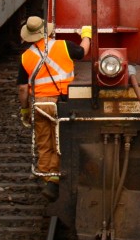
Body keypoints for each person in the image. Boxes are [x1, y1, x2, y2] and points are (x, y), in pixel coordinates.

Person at [17, 16, 91, 201]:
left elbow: (22, 89)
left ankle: (47, 175)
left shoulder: (26, 56)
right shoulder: (63, 45)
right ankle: (55, 178)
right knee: (61, 138)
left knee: (44, 139)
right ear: (47, 31)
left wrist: (25, 110)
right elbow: (82, 52)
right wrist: (87, 35)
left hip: (41, 103)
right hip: (63, 102)